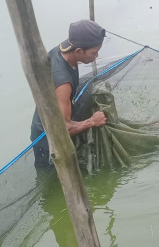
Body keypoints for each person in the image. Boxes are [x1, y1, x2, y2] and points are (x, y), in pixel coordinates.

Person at [30, 19, 107, 167]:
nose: (96, 56)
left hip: (50, 116)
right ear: (78, 51)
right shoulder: (63, 82)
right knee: (52, 179)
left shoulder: (63, 49)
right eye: (94, 52)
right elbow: (63, 129)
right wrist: (92, 121)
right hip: (48, 140)